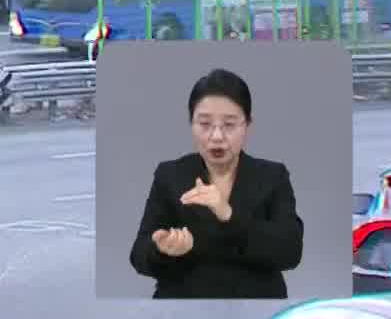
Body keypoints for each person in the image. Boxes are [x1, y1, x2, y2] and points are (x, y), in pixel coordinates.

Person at [130, 68, 304, 299]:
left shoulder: (273, 176)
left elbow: (289, 253)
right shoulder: (170, 175)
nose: (217, 136)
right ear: (191, 124)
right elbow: (139, 255)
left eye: (229, 125)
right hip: (183, 308)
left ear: (247, 125)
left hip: (254, 306)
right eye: (204, 124)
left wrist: (229, 215)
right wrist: (162, 250)